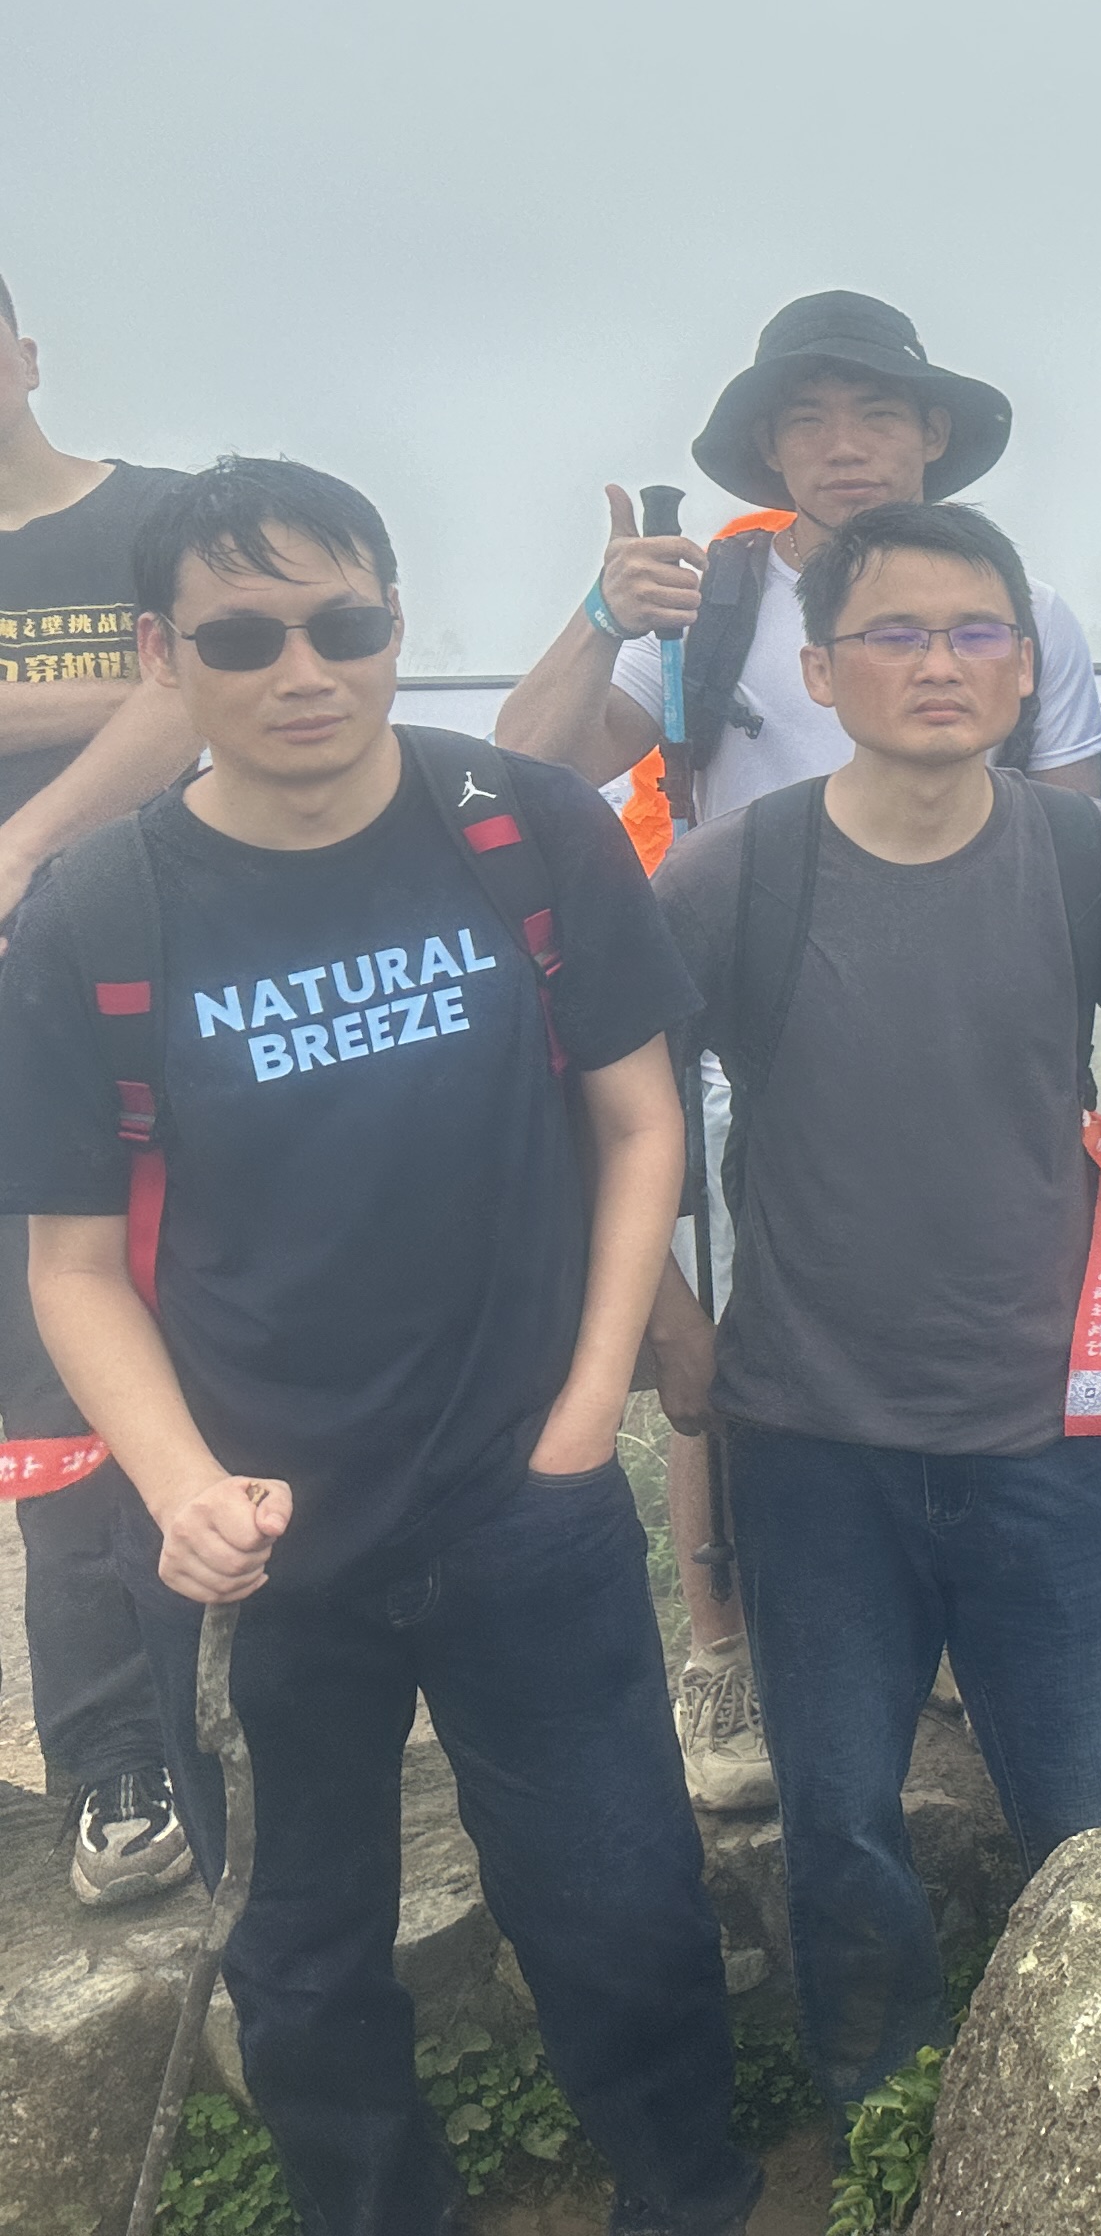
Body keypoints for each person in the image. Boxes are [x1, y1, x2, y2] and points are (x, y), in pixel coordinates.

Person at [3, 458, 758, 2236]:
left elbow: (639, 1120)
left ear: (396, 623)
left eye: (344, 624)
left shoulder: (523, 825)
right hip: (251, 1547)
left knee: (624, 1904)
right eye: (242, 638)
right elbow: (73, 1267)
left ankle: (690, 2199)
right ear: (159, 653)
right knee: (300, 1959)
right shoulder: (97, 911)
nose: (304, 670)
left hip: (524, 1498)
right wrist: (181, 1493)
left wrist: (583, 1415)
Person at [494, 289, 1101, 1814]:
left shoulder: (1025, 609)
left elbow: (1074, 838)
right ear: (767, 449)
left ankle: (946, 1605)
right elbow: (524, 768)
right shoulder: (706, 601)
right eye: (810, 420)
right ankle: (723, 1644)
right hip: (752, 1016)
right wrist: (601, 614)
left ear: (934, 437)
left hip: (971, 1030)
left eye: (877, 414)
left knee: (986, 1310)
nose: (846, 447)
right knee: (747, 1340)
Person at [647, 502, 1101, 2110]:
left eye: (976, 633)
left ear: (1025, 668)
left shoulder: (1084, 853)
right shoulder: (734, 871)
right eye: (895, 632)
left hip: (1047, 1433)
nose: (939, 664)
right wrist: (672, 1323)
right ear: (822, 670)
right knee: (838, 1825)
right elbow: (607, 1105)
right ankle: (881, 2126)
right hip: (812, 1436)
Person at [0, 273, 202, 1912]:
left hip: (177, 966)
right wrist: (135, 694)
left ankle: (264, 1701)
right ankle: (114, 1755)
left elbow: (212, 685)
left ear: (24, 349)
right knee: (44, 1377)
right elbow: (179, 687)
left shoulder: (161, 516)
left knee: (231, 1323)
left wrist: (23, 838)